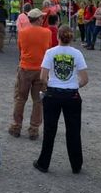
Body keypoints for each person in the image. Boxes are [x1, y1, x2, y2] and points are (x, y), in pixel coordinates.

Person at [33, 26, 88, 174]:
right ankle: (76, 165)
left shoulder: (50, 53)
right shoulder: (77, 54)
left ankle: (43, 163)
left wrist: (47, 88)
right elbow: (84, 79)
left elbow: (42, 77)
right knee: (74, 130)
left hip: (53, 94)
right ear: (71, 38)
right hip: (71, 94)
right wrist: (74, 86)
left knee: (49, 130)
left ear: (57, 37)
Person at [9, 8, 52, 140]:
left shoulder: (22, 32)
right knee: (38, 101)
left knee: (20, 98)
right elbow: (49, 48)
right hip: (41, 70)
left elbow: (20, 49)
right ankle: (34, 129)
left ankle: (16, 126)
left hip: (25, 68)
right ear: (38, 19)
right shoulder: (47, 32)